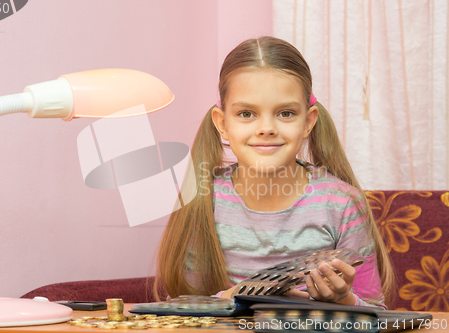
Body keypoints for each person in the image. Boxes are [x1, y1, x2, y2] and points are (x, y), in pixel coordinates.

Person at [154, 36, 394, 308]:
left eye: (286, 113)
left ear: (308, 121)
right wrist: (233, 296)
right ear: (222, 124)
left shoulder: (342, 204)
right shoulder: (201, 200)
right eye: (246, 114)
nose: (266, 128)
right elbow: (181, 308)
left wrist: (345, 300)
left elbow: (376, 312)